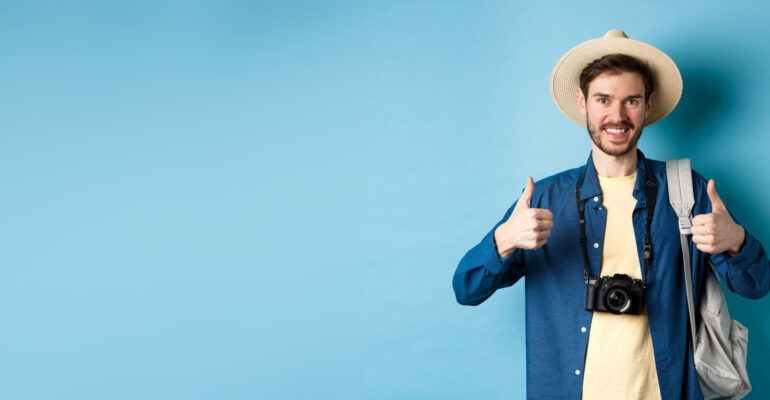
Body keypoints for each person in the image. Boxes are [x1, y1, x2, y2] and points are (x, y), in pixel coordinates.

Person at [452, 30, 770, 399]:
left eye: (630, 101)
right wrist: (504, 240)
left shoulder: (687, 191)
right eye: (604, 99)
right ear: (582, 101)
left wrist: (737, 242)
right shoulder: (543, 199)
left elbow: (757, 285)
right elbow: (466, 289)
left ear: (648, 105)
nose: (617, 115)